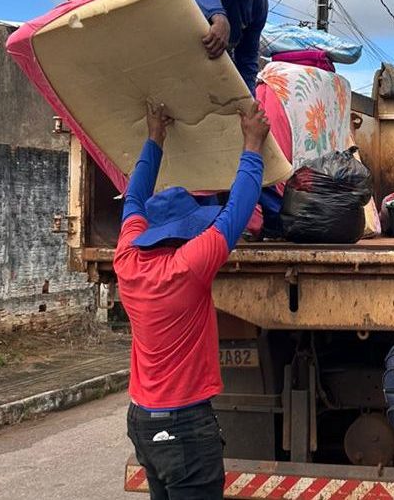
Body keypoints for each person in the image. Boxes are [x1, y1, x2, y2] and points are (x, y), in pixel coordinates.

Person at [114, 100, 271, 500]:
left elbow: (133, 198)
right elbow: (237, 211)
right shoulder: (187, 267)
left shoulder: (128, 258)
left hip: (144, 423)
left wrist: (155, 138)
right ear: (186, 230)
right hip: (184, 428)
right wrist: (253, 143)